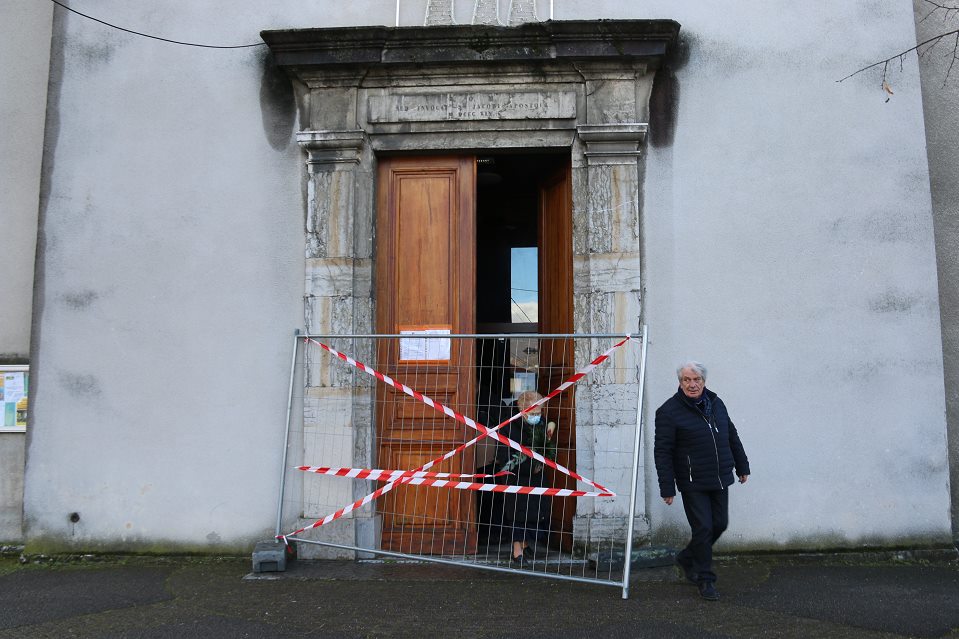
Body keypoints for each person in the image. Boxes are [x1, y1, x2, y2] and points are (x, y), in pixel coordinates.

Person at [654, 361, 750, 601]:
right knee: (704, 528)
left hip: (719, 477)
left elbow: (731, 434)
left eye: (696, 380)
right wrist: (667, 487)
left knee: (719, 524)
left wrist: (742, 466)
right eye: (687, 380)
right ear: (680, 382)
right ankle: (705, 580)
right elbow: (662, 452)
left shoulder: (717, 404)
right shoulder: (668, 411)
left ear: (704, 382)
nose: (692, 384)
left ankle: (687, 557)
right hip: (692, 481)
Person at [495, 390, 556, 566]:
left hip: (537, 477)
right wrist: (529, 466)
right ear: (522, 409)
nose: (537, 417)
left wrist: (545, 457)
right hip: (517, 478)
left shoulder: (541, 423)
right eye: (533, 413)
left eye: (539, 413)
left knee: (537, 512)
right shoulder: (509, 426)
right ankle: (517, 552)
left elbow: (546, 445)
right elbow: (505, 456)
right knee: (518, 514)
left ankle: (526, 543)